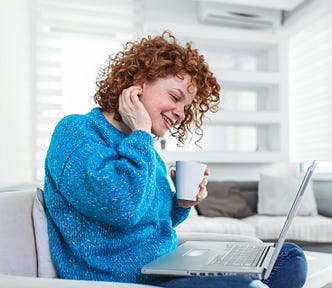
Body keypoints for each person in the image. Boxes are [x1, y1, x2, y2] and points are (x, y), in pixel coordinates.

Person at [43, 31, 307, 288]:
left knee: (288, 257)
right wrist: (141, 133)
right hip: (124, 280)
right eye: (175, 97)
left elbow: (155, 222)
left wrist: (181, 204)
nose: (181, 113)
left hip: (166, 269)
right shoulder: (77, 132)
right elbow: (123, 208)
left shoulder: (145, 150)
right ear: (139, 81)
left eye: (186, 107)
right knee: (250, 285)